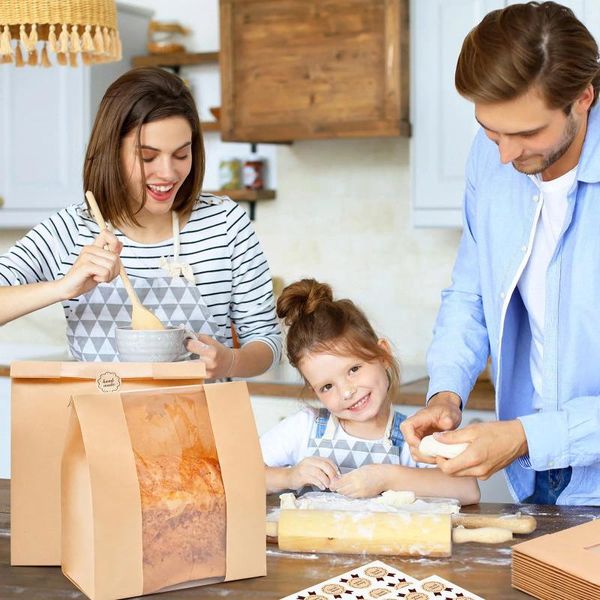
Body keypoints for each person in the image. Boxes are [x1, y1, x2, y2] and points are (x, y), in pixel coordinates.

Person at [401, 2, 600, 505]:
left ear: (583, 98)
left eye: (528, 133)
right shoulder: (487, 160)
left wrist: (525, 435)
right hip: (535, 478)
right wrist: (446, 391)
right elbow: (470, 291)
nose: (507, 156)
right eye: (492, 131)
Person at [0, 67, 281, 377]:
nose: (168, 173)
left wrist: (230, 362)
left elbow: (266, 339)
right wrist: (63, 287)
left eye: (181, 154)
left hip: (203, 423)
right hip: (100, 424)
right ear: (112, 152)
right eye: (148, 157)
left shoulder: (224, 223)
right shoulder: (69, 231)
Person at [260, 279, 480, 504]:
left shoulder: (410, 437)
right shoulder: (304, 429)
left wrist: (386, 477)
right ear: (313, 390)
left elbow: (468, 489)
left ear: (383, 355)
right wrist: (289, 476)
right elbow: (234, 476)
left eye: (353, 369)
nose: (346, 392)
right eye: (327, 386)